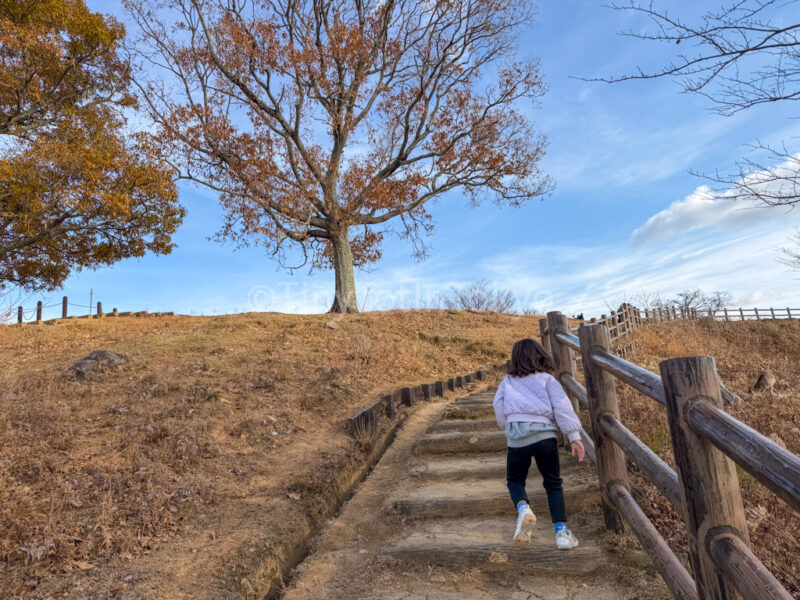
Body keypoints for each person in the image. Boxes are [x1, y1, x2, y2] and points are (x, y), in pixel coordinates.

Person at [493, 338, 586, 549]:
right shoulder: (547, 379)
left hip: (517, 438)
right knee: (553, 483)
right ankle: (561, 533)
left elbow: (497, 404)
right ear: (540, 354)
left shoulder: (508, 381)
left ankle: (524, 508)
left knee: (515, 481)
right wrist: (573, 436)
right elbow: (562, 406)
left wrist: (507, 425)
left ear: (515, 358)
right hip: (545, 436)